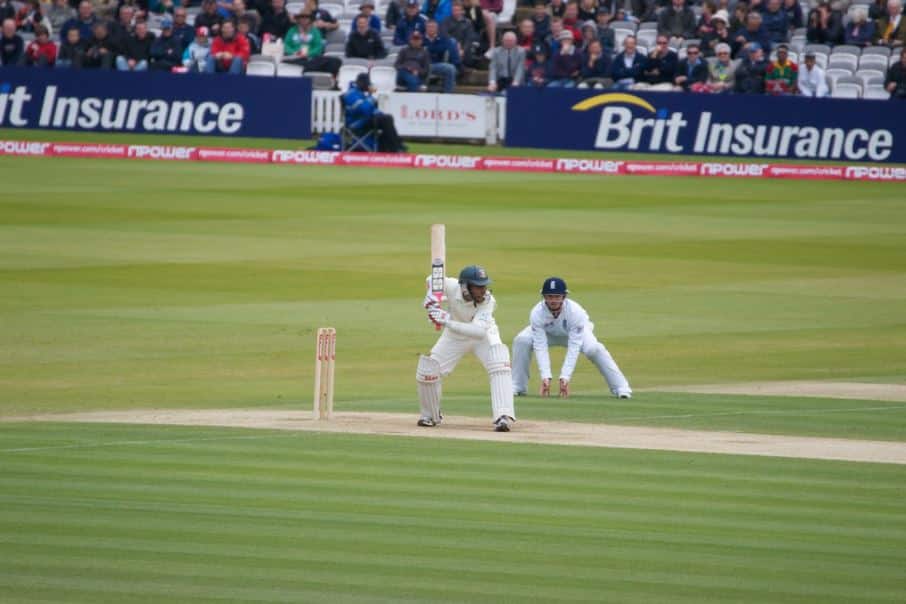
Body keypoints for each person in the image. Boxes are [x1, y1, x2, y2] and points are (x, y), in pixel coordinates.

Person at [419, 265, 516, 432]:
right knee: (428, 369)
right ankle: (430, 415)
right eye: (478, 286)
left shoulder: (488, 301)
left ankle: (503, 416)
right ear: (465, 286)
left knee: (499, 362)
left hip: (484, 335)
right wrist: (431, 298)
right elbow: (432, 279)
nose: (483, 290)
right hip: (454, 337)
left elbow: (478, 332)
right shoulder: (451, 285)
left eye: (484, 285)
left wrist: (446, 320)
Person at [512, 277, 631, 400]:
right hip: (548, 334)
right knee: (522, 340)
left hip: (574, 334)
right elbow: (540, 346)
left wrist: (565, 378)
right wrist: (545, 377)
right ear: (544, 296)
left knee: (595, 349)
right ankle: (518, 386)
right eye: (549, 296)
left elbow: (574, 347)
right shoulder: (537, 313)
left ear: (564, 297)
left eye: (557, 296)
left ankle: (621, 388)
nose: (553, 300)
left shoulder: (575, 312)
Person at [342, 73, 407, 151]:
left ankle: (394, 145)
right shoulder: (351, 94)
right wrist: (371, 96)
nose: (368, 87)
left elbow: (370, 109)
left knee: (387, 118)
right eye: (367, 85)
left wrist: (378, 112)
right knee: (386, 119)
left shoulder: (360, 94)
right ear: (361, 83)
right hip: (356, 123)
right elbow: (363, 110)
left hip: (363, 120)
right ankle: (396, 147)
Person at [283, 11, 340, 75]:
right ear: (298, 19)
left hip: (310, 59)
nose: (304, 19)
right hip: (294, 58)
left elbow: (318, 47)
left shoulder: (315, 31)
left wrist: (308, 54)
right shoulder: (292, 31)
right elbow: (286, 45)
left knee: (334, 61)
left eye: (306, 17)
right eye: (302, 17)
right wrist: (294, 52)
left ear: (310, 19)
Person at [424, 18, 460, 91]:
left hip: (436, 64)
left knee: (450, 68)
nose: (431, 29)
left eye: (433, 27)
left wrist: (430, 48)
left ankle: (448, 94)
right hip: (422, 65)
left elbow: (447, 48)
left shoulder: (443, 39)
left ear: (437, 28)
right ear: (426, 28)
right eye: (429, 27)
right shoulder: (420, 38)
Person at [442, 1, 479, 67]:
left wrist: (463, 50)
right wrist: (456, 46)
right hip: (451, 47)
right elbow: (445, 35)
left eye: (458, 10)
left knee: (468, 55)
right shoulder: (446, 21)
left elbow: (469, 39)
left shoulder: (468, 23)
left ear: (462, 11)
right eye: (454, 10)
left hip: (464, 48)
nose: (456, 12)